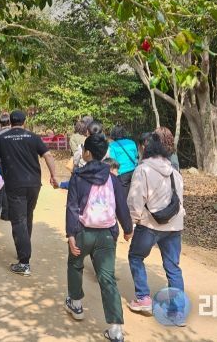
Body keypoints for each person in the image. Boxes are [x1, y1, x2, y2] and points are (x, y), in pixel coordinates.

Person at [65, 134, 133, 342]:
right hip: (107, 235)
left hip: (82, 232)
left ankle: (76, 304)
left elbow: (72, 207)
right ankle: (116, 330)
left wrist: (70, 235)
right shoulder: (113, 179)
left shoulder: (77, 177)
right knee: (107, 278)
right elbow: (121, 206)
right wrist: (128, 228)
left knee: (75, 264)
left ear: (86, 153)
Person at [0, 110, 59, 276]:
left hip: (15, 185)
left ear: (10, 122)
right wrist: (54, 176)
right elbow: (48, 156)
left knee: (18, 221)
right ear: (25, 121)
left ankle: (24, 262)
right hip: (34, 184)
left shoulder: (2, 138)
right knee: (27, 216)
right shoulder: (33, 137)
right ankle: (24, 249)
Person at [127, 133, 186, 325]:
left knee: (136, 257)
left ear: (146, 150)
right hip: (174, 226)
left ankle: (143, 298)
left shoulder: (142, 170)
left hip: (149, 224)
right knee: (173, 267)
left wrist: (131, 223)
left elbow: (135, 200)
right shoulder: (175, 173)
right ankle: (178, 311)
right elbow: (179, 201)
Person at [107, 126, 139, 194]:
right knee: (135, 193)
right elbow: (136, 156)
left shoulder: (112, 145)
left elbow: (113, 160)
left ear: (113, 134)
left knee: (124, 195)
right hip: (134, 171)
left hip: (122, 173)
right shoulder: (132, 142)